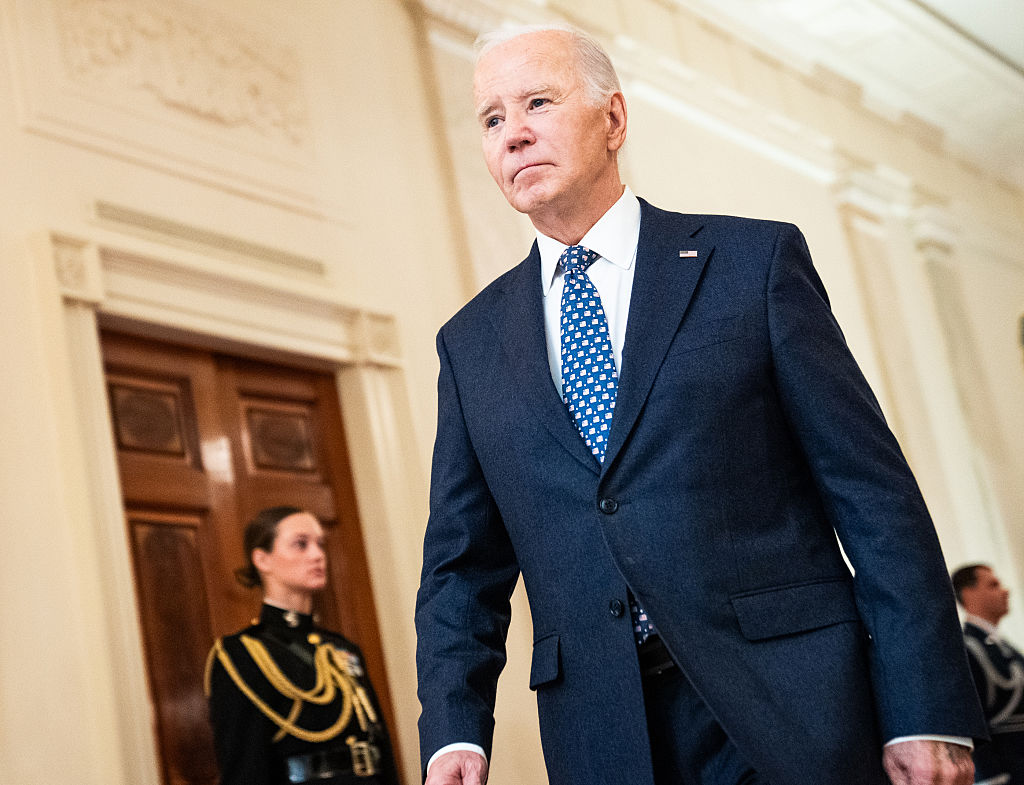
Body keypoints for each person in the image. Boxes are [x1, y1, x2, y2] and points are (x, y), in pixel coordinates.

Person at [414, 22, 988, 785]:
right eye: (491, 119)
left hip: (796, 711)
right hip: (605, 735)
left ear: (612, 119)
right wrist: (454, 732)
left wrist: (925, 705)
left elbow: (873, 495)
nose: (513, 135)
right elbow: (459, 567)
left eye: (537, 103)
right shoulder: (471, 342)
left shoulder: (752, 266)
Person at [205, 506, 399, 785]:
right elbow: (245, 767)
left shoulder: (341, 649)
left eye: (320, 544)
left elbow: (381, 749)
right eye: (301, 544)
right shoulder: (240, 655)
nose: (318, 555)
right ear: (262, 559)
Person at [952, 564, 1024, 783]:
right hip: (1007, 772)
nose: (1005, 591)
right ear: (968, 593)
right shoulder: (968, 649)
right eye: (993, 585)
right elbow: (973, 721)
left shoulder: (1002, 646)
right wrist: (992, 777)